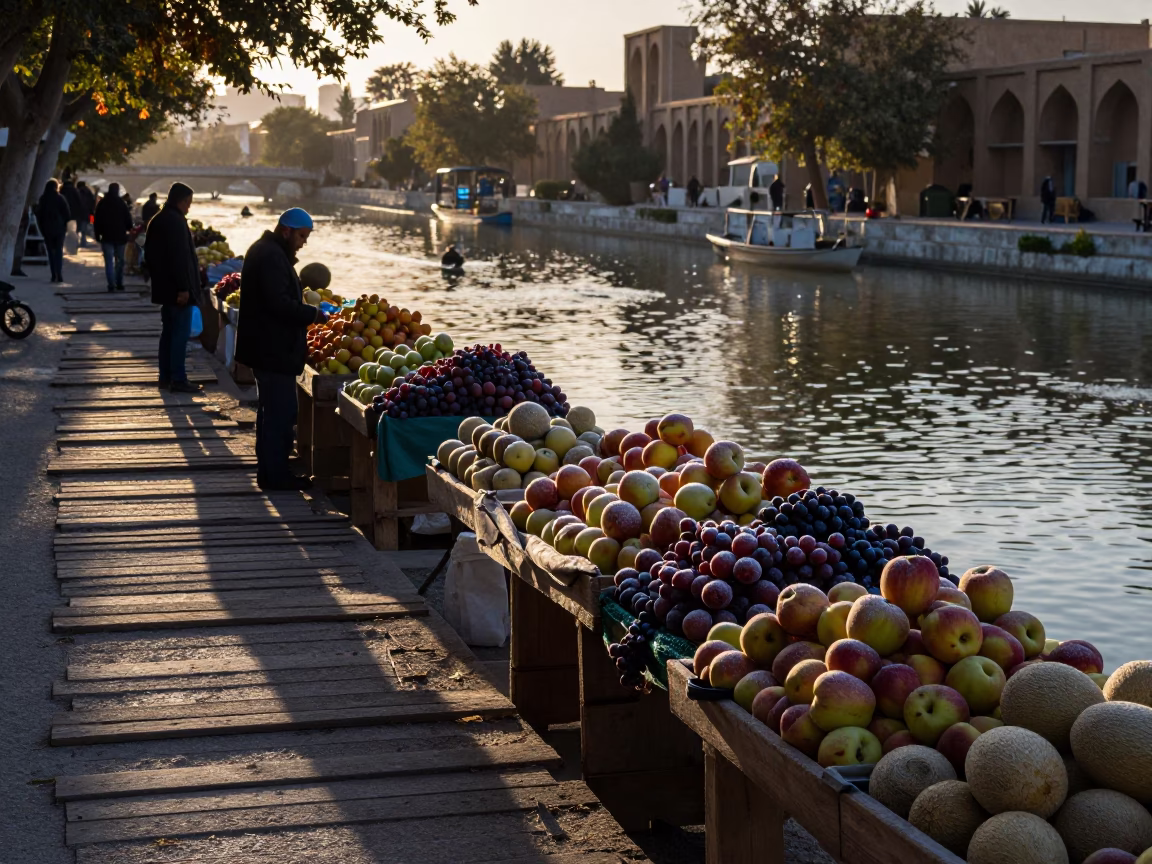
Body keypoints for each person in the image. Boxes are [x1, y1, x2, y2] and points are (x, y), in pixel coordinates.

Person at [235, 208, 328, 491]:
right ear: (285, 231)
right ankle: (275, 476)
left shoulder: (269, 251)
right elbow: (279, 304)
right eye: (302, 236)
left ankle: (271, 471)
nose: (304, 242)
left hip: (268, 348)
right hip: (271, 349)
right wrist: (313, 315)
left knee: (271, 413)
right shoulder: (271, 256)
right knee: (280, 414)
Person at [145, 183, 203, 392]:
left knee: (168, 333)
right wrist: (183, 288)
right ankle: (178, 378)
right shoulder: (175, 222)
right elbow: (179, 260)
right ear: (181, 201)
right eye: (188, 202)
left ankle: (165, 376)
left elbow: (151, 257)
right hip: (177, 290)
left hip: (164, 288)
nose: (189, 207)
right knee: (180, 334)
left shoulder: (159, 219)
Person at [93, 182, 133, 291]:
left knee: (109, 261)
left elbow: (96, 220)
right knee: (120, 261)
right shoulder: (122, 203)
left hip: (106, 236)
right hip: (120, 237)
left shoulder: (102, 203)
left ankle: (111, 284)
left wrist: (97, 235)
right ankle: (119, 283)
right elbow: (128, 220)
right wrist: (130, 229)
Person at [36, 180, 71, 283]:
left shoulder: (43, 199)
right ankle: (59, 273)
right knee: (59, 251)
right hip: (59, 228)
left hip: (47, 228)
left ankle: (53, 274)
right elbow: (67, 214)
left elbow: (39, 214)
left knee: (51, 252)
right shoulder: (60, 198)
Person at [59, 178, 84, 247]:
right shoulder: (75, 191)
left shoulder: (62, 190)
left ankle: (62, 245)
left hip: (63, 215)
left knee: (63, 231)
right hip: (74, 215)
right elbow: (79, 203)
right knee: (73, 231)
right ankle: (72, 246)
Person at [75, 181, 95, 246]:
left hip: (78, 214)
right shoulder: (89, 193)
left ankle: (77, 242)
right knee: (84, 229)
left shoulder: (77, 192)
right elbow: (92, 204)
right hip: (87, 213)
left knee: (77, 229)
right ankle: (83, 242)